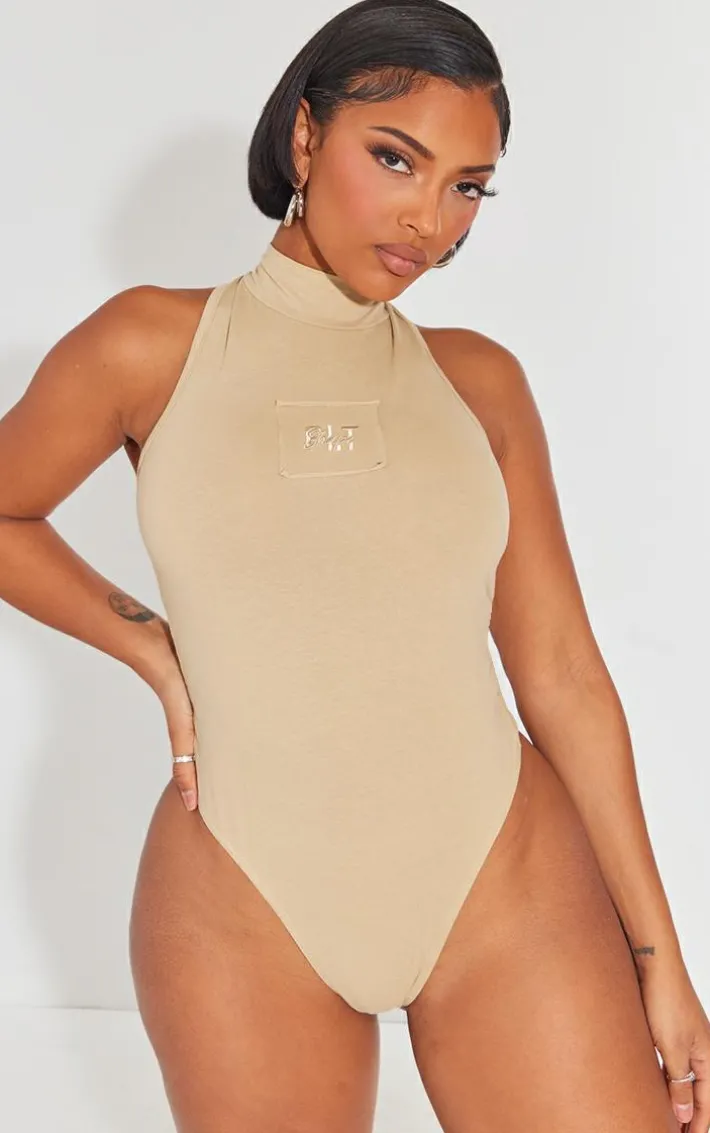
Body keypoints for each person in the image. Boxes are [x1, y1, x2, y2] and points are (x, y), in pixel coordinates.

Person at [1, 0, 708, 1129]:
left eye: (467, 186)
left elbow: (563, 675)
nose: (429, 217)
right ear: (304, 135)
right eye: (395, 158)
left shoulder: (480, 383)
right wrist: (150, 648)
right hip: (243, 889)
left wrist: (661, 960)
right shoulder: (148, 345)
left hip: (503, 876)